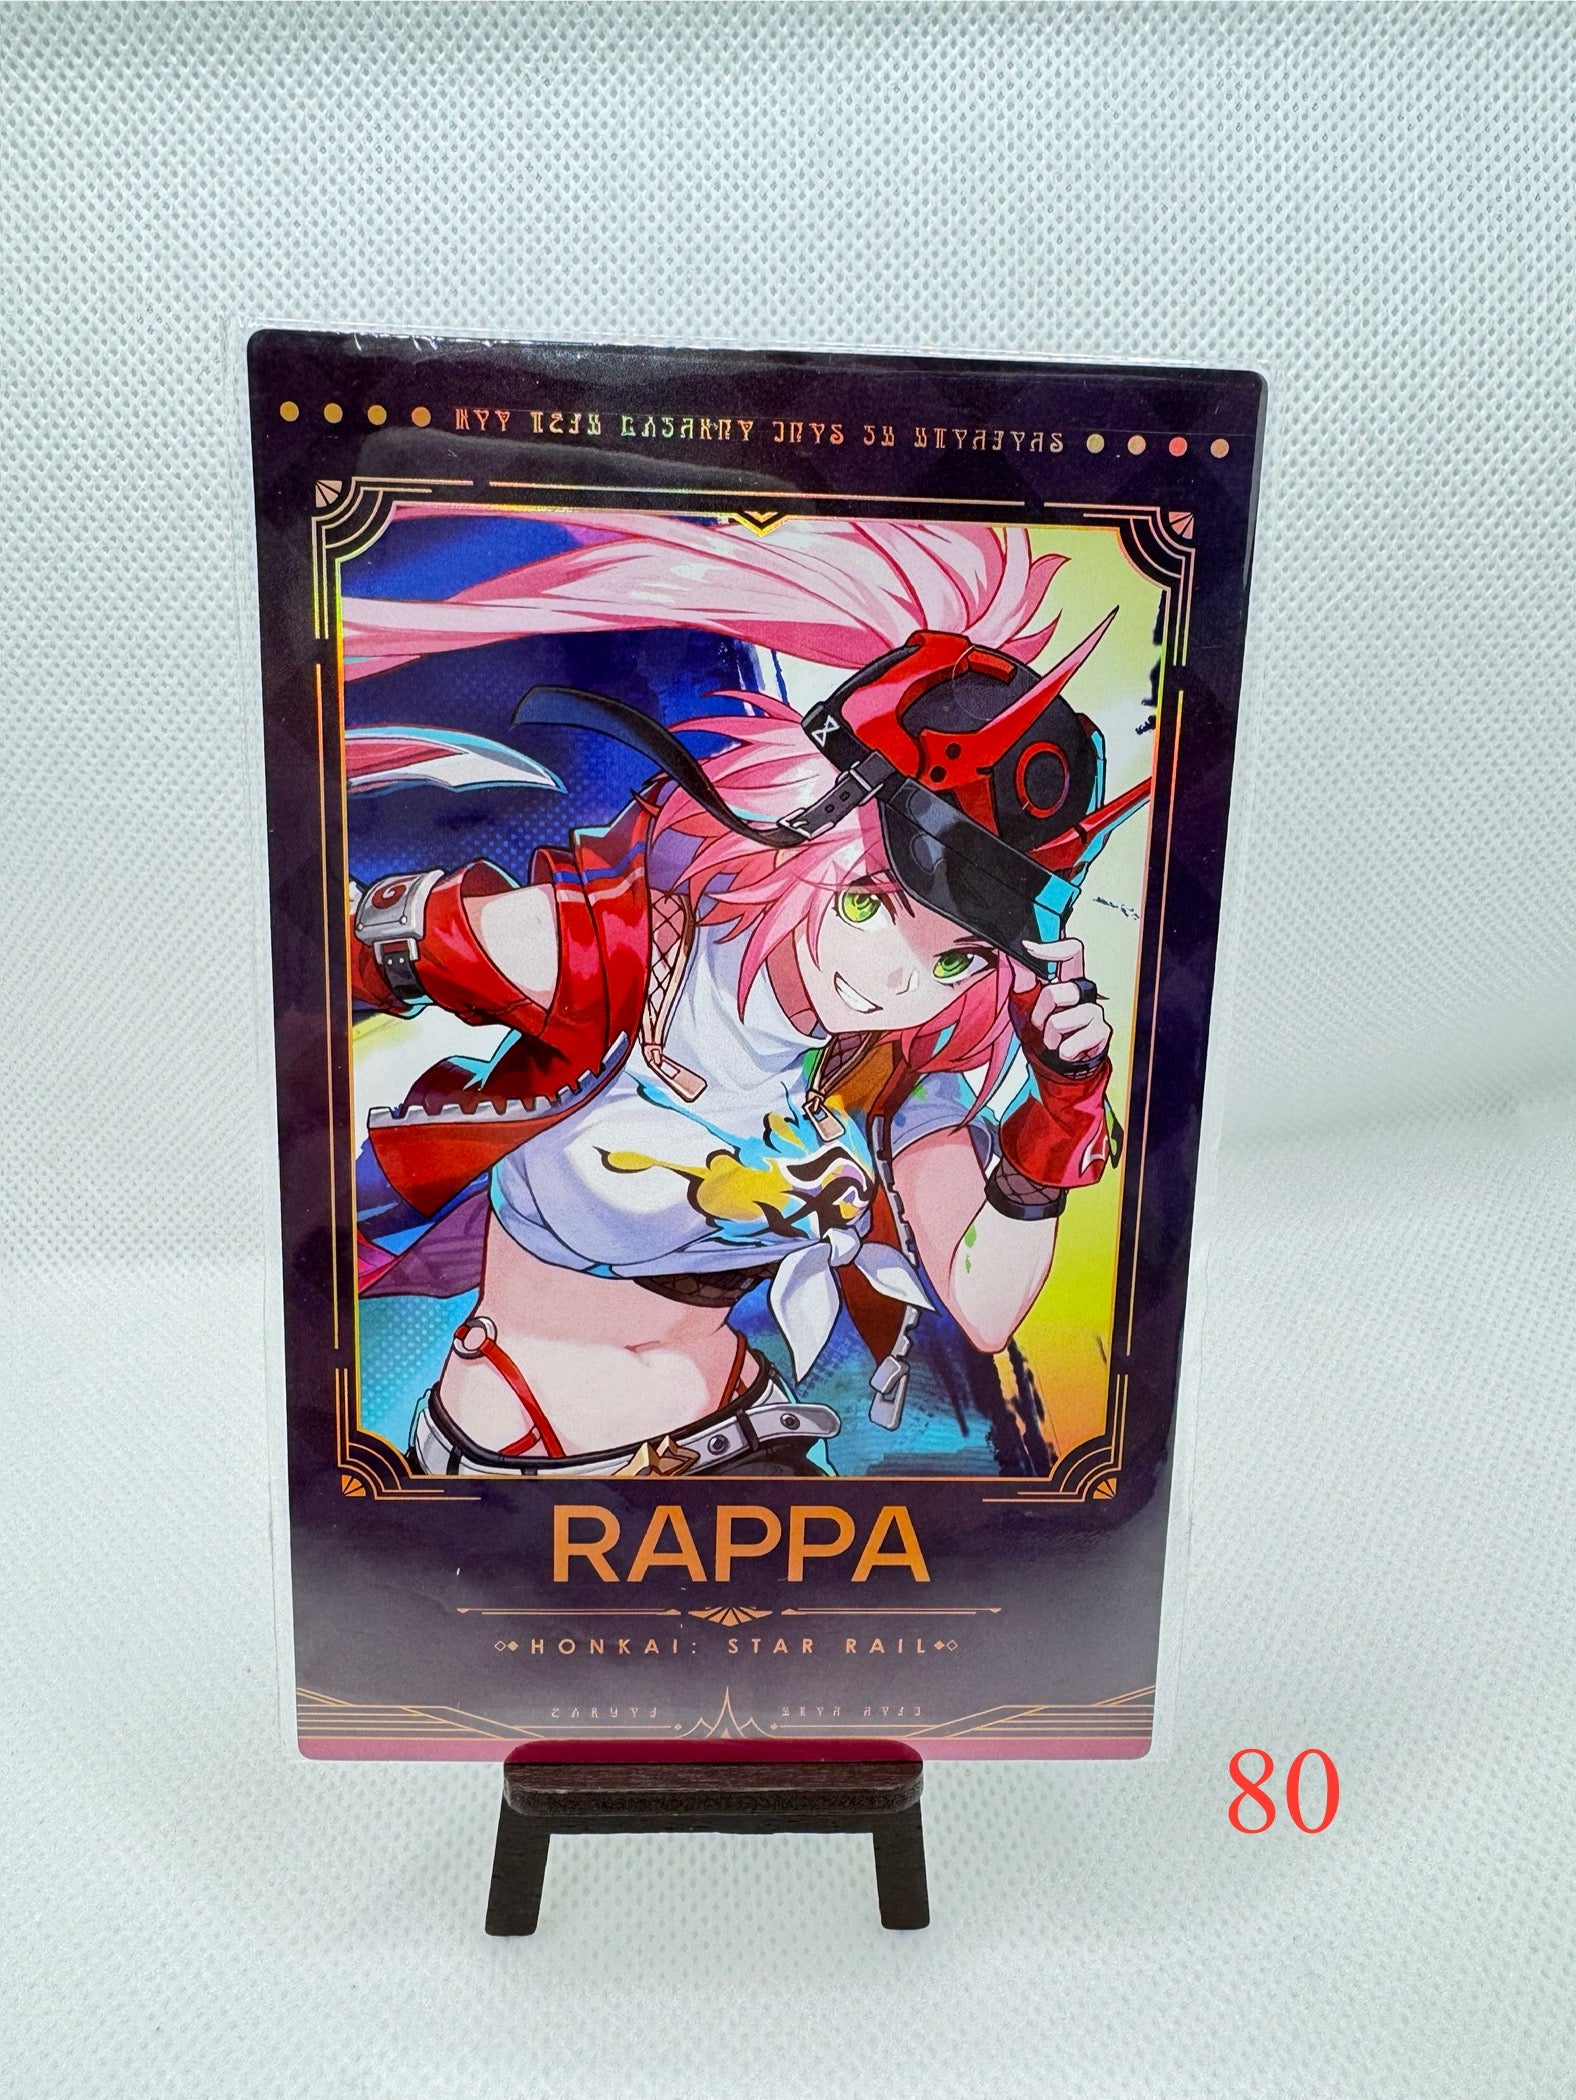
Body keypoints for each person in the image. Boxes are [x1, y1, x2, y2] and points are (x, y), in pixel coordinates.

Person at [345, 519, 1148, 1478]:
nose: (896, 984)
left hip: (749, 1441)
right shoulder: (616, 953)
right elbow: (354, 947)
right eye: (868, 906)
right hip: (530, 1455)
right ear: (807, 834)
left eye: (957, 962)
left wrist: (1061, 1108)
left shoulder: (888, 1060)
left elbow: (983, 1308)